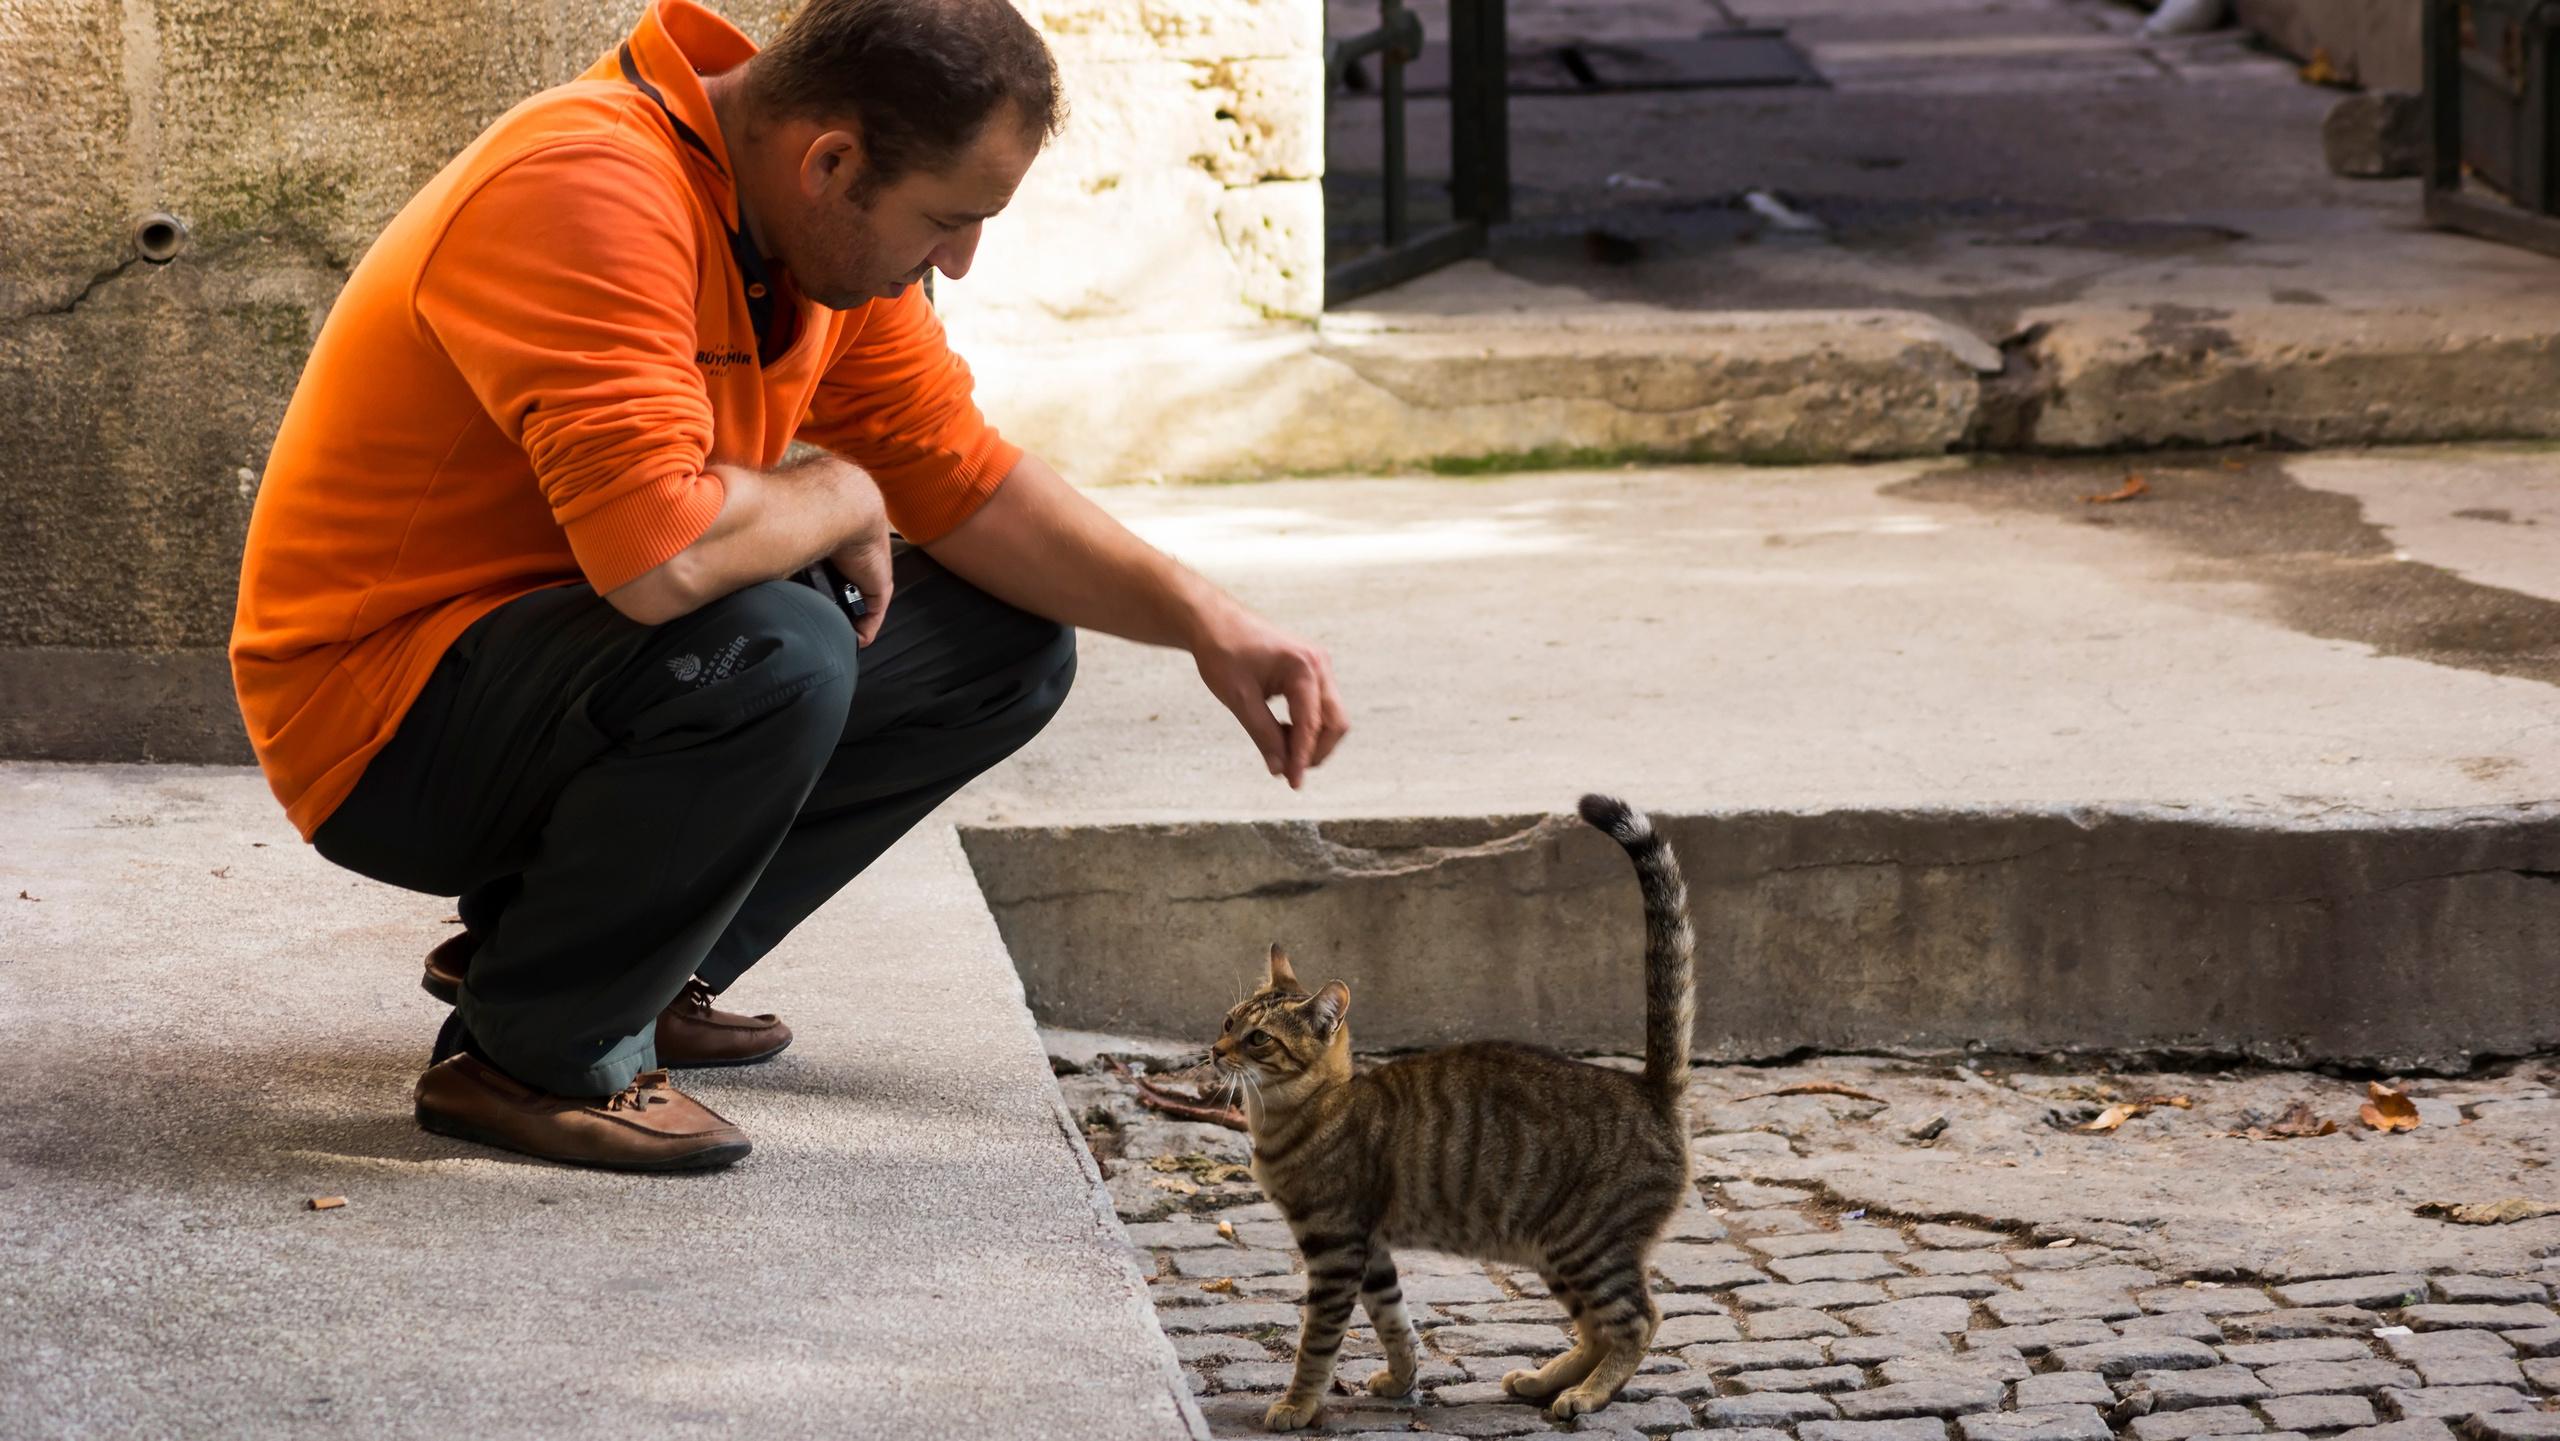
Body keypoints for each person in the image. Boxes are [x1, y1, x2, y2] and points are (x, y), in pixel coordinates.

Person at [228, 0, 1348, 1173]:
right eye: (952, 220)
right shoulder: (590, 185)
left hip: (556, 680)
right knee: (779, 642)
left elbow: (968, 482)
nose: (960, 260)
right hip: (386, 729)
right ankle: (531, 1051)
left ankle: (613, 962)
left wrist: (1207, 622)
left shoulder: (801, 242)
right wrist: (842, 495)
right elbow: (663, 559)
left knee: (1000, 644)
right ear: (832, 164)